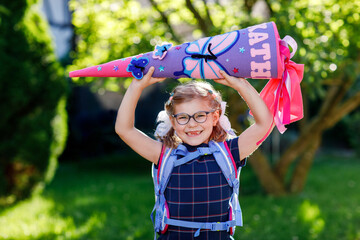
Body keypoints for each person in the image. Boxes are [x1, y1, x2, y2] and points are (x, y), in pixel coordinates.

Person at [115, 66, 274, 239]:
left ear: (215, 117)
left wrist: (240, 85)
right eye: (183, 117)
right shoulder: (163, 154)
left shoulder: (230, 152)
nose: (191, 124)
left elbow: (264, 124)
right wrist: (136, 87)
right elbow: (124, 129)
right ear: (173, 122)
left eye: (200, 116)